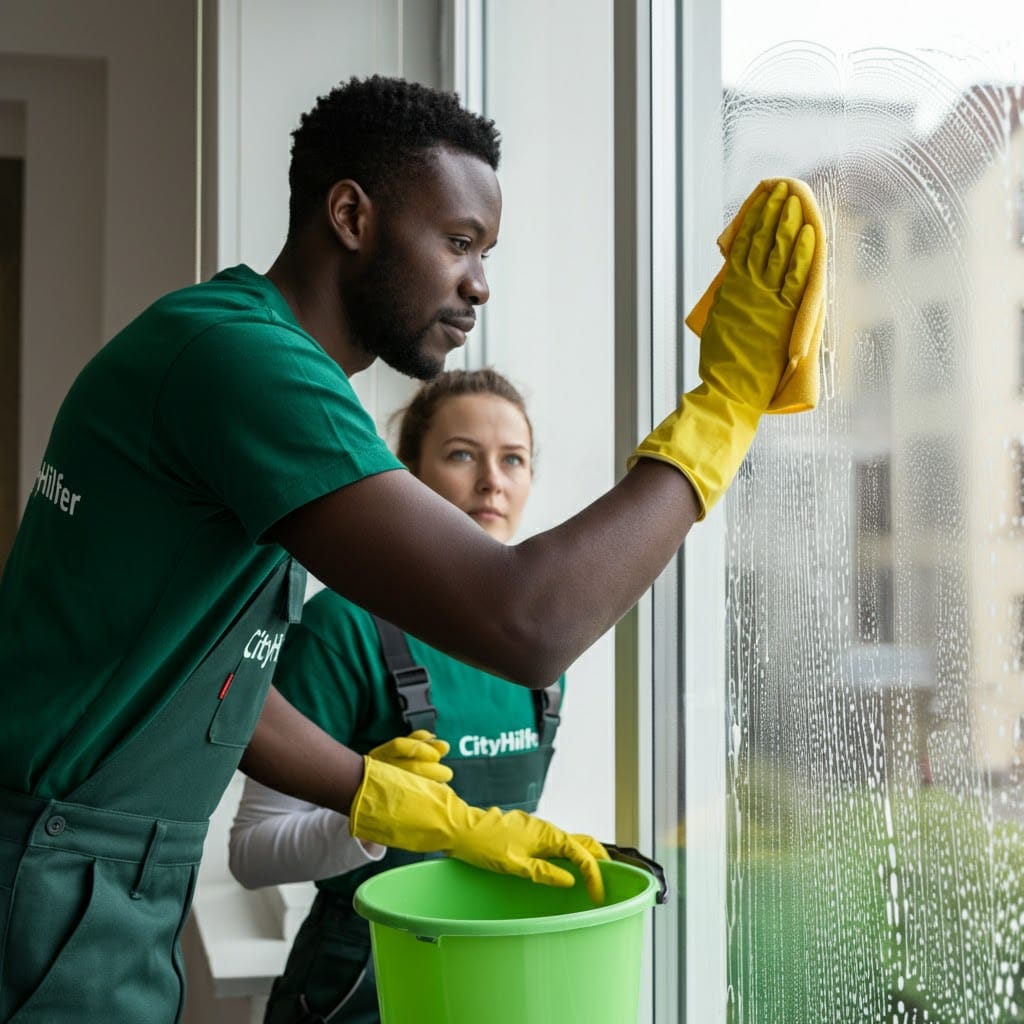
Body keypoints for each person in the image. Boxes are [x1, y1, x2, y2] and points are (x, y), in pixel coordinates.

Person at [0, 72, 817, 1024]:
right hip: (56, 870)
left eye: (487, 253)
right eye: (460, 243)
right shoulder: (247, 365)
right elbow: (526, 618)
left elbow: (202, 676)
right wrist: (722, 410)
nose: (479, 283)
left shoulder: (228, 348)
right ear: (351, 214)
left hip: (84, 867)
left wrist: (382, 796)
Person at [230, 367, 568, 1022]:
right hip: (359, 990)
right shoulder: (341, 630)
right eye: (462, 454)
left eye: (514, 460)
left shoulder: (542, 652)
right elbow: (250, 854)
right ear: (408, 474)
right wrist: (368, 811)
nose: (492, 480)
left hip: (494, 981)